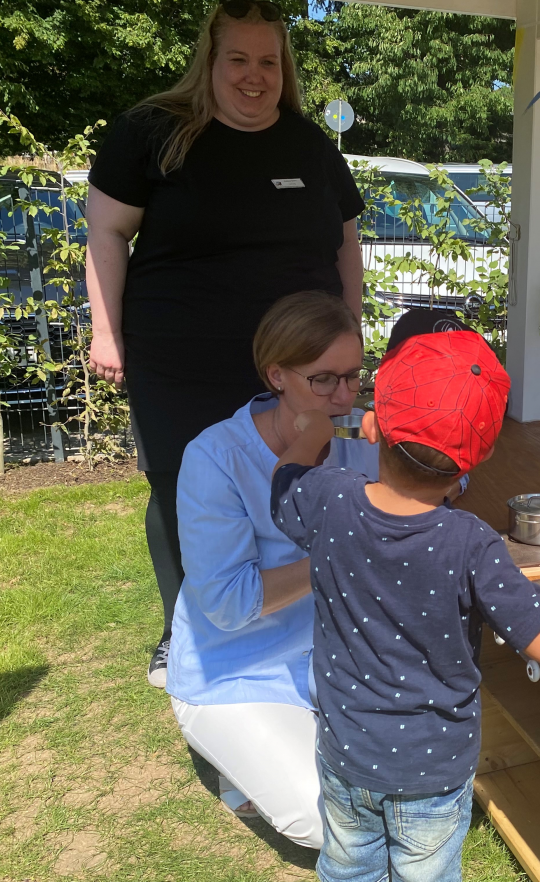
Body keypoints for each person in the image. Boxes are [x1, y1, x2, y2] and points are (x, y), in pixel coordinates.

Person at [270, 330, 540, 882]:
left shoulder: (329, 499)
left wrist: (310, 437)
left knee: (348, 869)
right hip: (430, 770)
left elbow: (284, 484)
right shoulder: (471, 544)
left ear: (376, 425)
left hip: (346, 753)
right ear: (477, 453)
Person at [85, 0, 366, 686]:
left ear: (284, 69)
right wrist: (105, 331)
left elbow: (347, 246)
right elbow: (105, 234)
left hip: (299, 366)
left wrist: (350, 333)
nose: (253, 76)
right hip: (183, 359)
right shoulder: (152, 132)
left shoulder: (309, 146)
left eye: (268, 61)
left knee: (306, 475)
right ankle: (185, 623)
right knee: (185, 486)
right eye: (238, 59)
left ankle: (301, 609)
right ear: (209, 62)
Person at [167, 292, 375, 846]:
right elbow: (229, 604)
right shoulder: (216, 458)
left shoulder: (359, 437)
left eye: (354, 377)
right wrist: (342, 551)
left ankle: (270, 754)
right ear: (277, 374)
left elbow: (446, 479)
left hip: (336, 656)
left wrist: (416, 444)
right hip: (235, 669)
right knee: (327, 821)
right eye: (324, 380)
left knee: (436, 769)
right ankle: (224, 744)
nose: (344, 397)